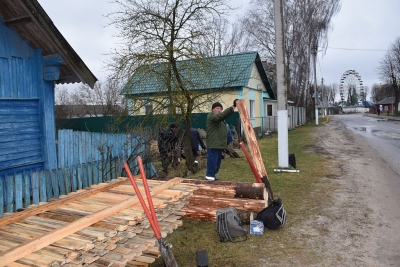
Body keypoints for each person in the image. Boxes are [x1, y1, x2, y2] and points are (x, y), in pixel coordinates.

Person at [205, 100, 237, 181]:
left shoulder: (222, 121)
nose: (219, 110)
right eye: (217, 108)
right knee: (212, 164)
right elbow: (220, 116)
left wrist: (226, 142)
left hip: (219, 146)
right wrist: (232, 108)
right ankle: (209, 180)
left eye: (220, 108)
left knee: (216, 165)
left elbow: (226, 133)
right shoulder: (211, 116)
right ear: (213, 110)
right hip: (213, 145)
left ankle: (213, 178)